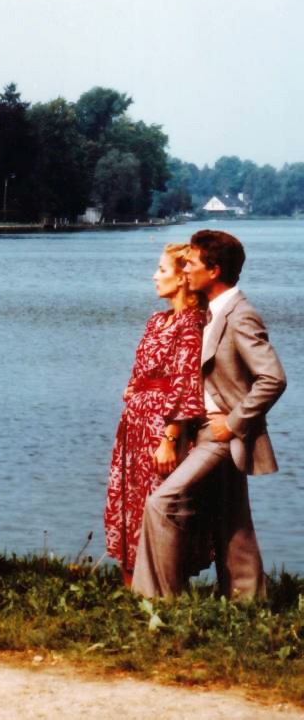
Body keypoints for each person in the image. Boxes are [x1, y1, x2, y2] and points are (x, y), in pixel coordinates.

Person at [133, 230, 287, 599]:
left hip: (221, 434)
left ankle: (158, 601)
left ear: (214, 270)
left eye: (192, 263)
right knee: (233, 522)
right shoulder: (208, 312)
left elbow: (273, 378)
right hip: (203, 429)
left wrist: (232, 423)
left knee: (162, 502)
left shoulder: (240, 315)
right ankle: (248, 601)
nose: (184, 270)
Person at [105, 243, 206, 587]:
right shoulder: (157, 320)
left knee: (160, 503)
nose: (154, 276)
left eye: (162, 270)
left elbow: (186, 383)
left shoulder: (192, 324)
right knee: (130, 504)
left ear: (182, 279)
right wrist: (134, 390)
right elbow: (139, 373)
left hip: (162, 429)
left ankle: (164, 588)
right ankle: (130, 587)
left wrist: (170, 439)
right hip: (135, 425)